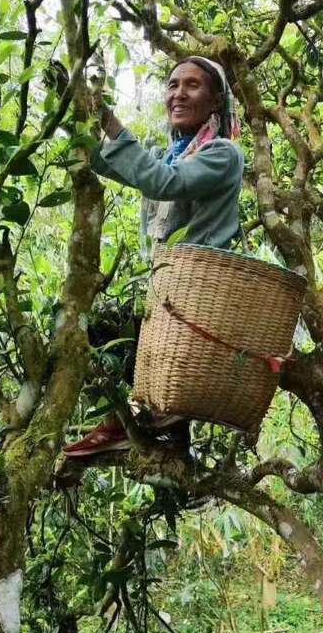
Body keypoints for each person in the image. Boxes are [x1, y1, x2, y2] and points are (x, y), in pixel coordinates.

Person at [62, 56, 244, 458]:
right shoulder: (174, 155)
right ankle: (149, 427)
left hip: (199, 293)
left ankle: (137, 421)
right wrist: (71, 111)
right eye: (173, 85)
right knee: (100, 334)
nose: (178, 94)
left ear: (215, 102)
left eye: (192, 86)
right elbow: (125, 167)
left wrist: (110, 120)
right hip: (169, 290)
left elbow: (162, 183)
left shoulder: (222, 155)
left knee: (102, 329)